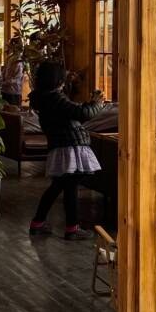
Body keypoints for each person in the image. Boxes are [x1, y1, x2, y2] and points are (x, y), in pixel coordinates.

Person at [28, 60, 104, 240]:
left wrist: (90, 103)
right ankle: (71, 229)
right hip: (70, 146)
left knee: (59, 186)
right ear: (56, 80)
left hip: (61, 147)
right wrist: (96, 104)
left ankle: (39, 223)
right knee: (69, 187)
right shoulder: (55, 98)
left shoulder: (43, 97)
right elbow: (82, 113)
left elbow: (72, 111)